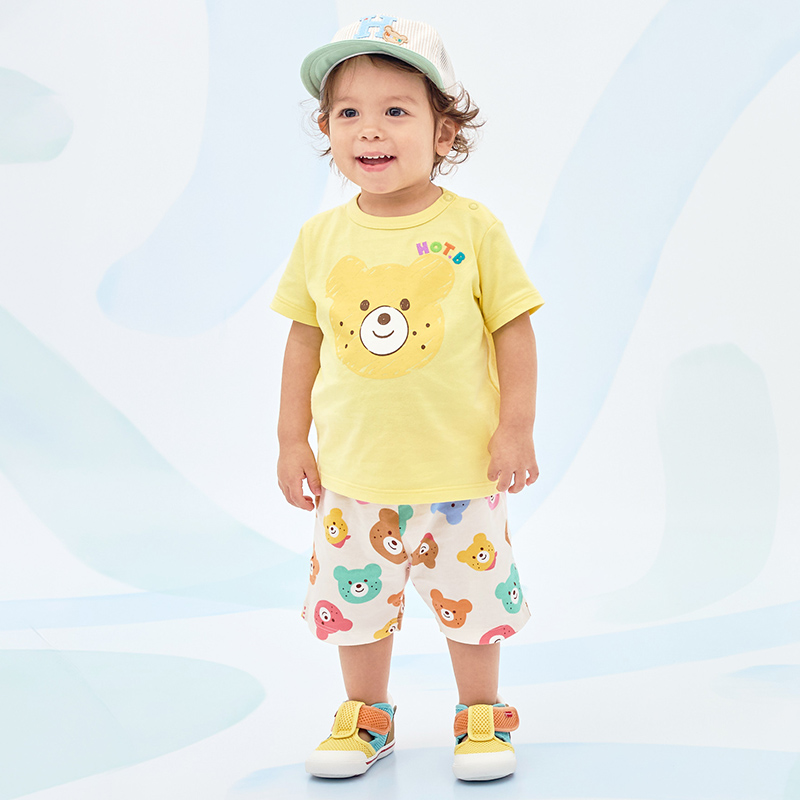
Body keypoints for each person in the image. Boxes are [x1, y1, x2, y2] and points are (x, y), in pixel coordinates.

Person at [271, 15, 544, 782]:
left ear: (444, 130)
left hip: (462, 474)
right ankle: (367, 715)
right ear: (327, 130)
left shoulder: (472, 228)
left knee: (473, 604)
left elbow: (514, 329)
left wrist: (516, 426)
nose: (370, 129)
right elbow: (303, 343)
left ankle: (481, 714)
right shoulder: (320, 238)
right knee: (355, 606)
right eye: (348, 112)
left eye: (396, 109)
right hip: (353, 477)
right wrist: (292, 441)